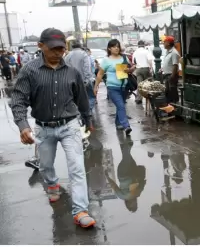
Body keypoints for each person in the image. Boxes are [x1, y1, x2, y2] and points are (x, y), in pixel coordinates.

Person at [10, 28, 96, 228]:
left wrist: (87, 118)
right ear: (41, 47)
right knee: (46, 165)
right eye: (54, 49)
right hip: (43, 128)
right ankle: (52, 184)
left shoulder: (72, 72)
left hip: (69, 126)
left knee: (77, 168)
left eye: (62, 49)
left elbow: (81, 98)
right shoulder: (29, 71)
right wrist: (23, 126)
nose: (59, 53)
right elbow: (19, 100)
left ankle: (81, 210)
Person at [94, 39, 135, 134]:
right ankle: (126, 125)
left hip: (124, 86)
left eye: (118, 46)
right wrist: (96, 87)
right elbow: (100, 74)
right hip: (112, 87)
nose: (116, 48)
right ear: (109, 48)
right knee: (121, 106)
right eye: (114, 46)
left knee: (120, 106)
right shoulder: (106, 60)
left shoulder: (124, 57)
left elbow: (132, 68)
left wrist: (130, 70)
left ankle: (118, 123)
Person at [64, 42, 96, 112]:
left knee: (76, 98)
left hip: (71, 81)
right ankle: (87, 111)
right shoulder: (84, 54)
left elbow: (66, 69)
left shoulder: (67, 56)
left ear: (72, 47)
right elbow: (87, 68)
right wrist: (87, 79)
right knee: (91, 97)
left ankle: (79, 111)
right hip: (83, 80)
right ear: (80, 46)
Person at [133, 40, 154, 104]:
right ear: (144, 45)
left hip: (138, 69)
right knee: (149, 83)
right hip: (146, 69)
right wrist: (151, 68)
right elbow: (150, 60)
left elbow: (134, 62)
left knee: (140, 85)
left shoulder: (135, 52)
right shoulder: (146, 51)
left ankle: (139, 99)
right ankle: (150, 96)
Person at [161, 36, 180, 103]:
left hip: (171, 75)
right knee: (167, 92)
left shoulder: (174, 53)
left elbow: (175, 65)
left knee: (172, 91)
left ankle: (175, 106)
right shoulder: (168, 52)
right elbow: (168, 64)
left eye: (164, 42)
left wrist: (172, 76)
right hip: (167, 74)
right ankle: (169, 107)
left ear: (168, 43)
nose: (163, 44)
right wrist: (162, 69)